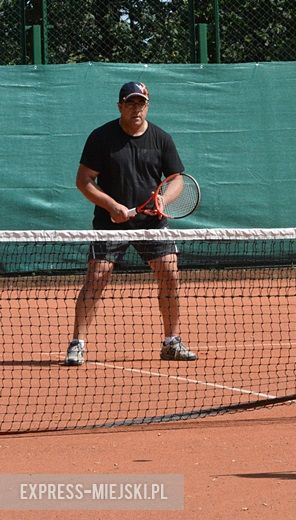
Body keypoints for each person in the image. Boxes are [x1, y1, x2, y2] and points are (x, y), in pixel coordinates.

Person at [64, 81, 198, 366]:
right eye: (130, 103)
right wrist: (111, 206)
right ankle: (77, 343)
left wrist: (163, 200)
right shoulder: (101, 138)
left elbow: (176, 179)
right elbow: (84, 180)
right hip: (110, 223)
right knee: (97, 278)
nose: (136, 108)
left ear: (147, 106)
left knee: (170, 274)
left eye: (141, 103)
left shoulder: (161, 138)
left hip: (152, 223)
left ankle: (172, 342)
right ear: (120, 106)